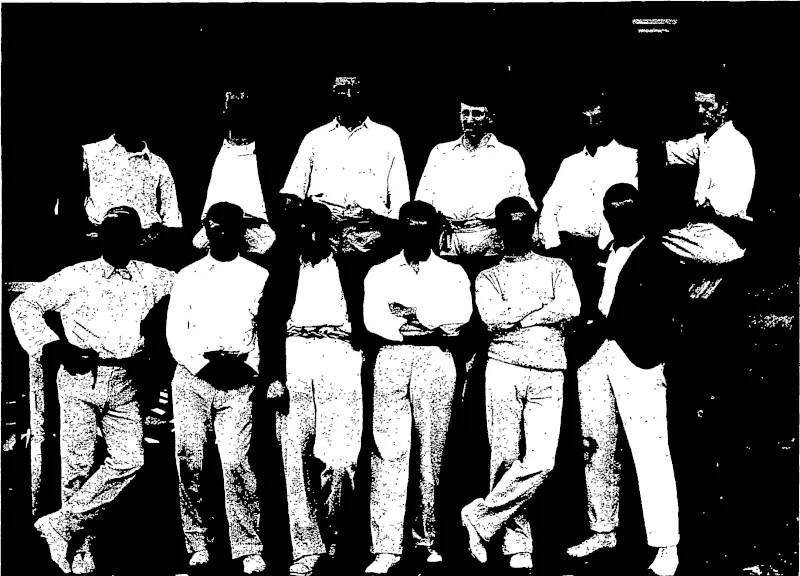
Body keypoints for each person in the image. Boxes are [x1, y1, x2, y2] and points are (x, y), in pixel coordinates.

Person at [9, 206, 174, 575]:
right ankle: (79, 549)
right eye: (112, 233)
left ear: (137, 238)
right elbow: (24, 305)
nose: (119, 241)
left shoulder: (152, 277)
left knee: (130, 459)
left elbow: (193, 282)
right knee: (78, 465)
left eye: (127, 234)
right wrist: (52, 347)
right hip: (80, 376)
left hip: (125, 379)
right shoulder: (75, 276)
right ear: (100, 236)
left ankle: (59, 524)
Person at [565, 184, 682, 576]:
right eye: (612, 211)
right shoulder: (602, 256)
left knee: (650, 452)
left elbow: (669, 318)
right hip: (596, 356)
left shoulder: (660, 256)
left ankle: (666, 546)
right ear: (606, 214)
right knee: (595, 447)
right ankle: (603, 530)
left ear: (640, 212)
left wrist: (652, 356)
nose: (620, 218)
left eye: (627, 210)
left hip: (639, 360)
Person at [460, 197, 580, 570]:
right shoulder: (487, 275)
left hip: (549, 368)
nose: (517, 232)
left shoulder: (557, 266)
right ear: (499, 229)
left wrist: (518, 316)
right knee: (505, 457)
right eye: (509, 226)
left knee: (542, 462)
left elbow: (571, 307)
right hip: (503, 368)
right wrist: (542, 310)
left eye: (523, 224)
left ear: (532, 226)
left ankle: (480, 517)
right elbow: (493, 319)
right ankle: (517, 546)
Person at [362, 201, 473, 574]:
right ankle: (387, 547)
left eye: (424, 228)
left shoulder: (453, 272)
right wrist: (423, 323)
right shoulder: (379, 272)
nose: (416, 235)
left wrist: (414, 317)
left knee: (432, 451)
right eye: (410, 228)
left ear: (433, 231)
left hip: (436, 359)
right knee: (389, 450)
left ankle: (429, 539)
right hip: (392, 357)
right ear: (400, 229)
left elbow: (458, 316)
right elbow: (374, 319)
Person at [166, 202, 271, 574]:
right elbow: (176, 332)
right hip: (194, 377)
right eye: (215, 226)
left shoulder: (259, 275)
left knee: (236, 462)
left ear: (240, 230)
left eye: (230, 227)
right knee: (190, 460)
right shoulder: (188, 275)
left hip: (239, 378)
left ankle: (247, 546)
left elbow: (264, 332)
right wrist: (203, 366)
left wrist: (248, 368)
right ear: (205, 229)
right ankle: (197, 540)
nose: (222, 233)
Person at [267, 202, 363, 575]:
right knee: (295, 453)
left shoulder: (353, 267)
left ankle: (336, 534)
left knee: (341, 458)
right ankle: (307, 547)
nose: (307, 236)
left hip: (340, 353)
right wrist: (275, 375)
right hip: (296, 354)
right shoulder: (283, 268)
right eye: (301, 229)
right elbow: (269, 323)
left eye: (315, 229)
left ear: (329, 232)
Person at [280, 75, 411, 340]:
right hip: (320, 240)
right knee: (315, 322)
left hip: (370, 241)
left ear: (364, 94)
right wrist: (311, 219)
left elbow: (400, 207)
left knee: (364, 324)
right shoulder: (315, 139)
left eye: (353, 90)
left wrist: (372, 223)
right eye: (340, 90)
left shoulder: (387, 139)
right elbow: (290, 196)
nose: (347, 96)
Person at [415, 84, 534, 279]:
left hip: (492, 243)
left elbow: (522, 203)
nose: (469, 120)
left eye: (477, 114)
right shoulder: (440, 153)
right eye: (465, 113)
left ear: (490, 117)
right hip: (450, 243)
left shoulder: (508, 156)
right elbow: (423, 202)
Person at [536, 98, 638, 313]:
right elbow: (549, 208)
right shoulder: (570, 163)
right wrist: (554, 247)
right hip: (568, 250)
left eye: (598, 120)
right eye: (586, 120)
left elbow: (628, 210)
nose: (592, 126)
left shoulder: (629, 158)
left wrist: (607, 249)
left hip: (607, 251)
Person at [67, 102, 183, 267]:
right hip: (96, 247)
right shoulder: (89, 153)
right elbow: (69, 206)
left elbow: (171, 217)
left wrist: (157, 239)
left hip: (145, 249)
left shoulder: (158, 164)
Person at [662, 84, 755, 266]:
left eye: (707, 106)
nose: (699, 111)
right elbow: (669, 151)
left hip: (724, 237)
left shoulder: (735, 143)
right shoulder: (705, 140)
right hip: (705, 230)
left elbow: (727, 210)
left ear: (724, 108)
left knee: (653, 240)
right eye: (697, 105)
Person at [192, 90, 276, 256]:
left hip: (257, 236)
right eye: (233, 108)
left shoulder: (269, 156)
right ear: (225, 113)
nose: (238, 115)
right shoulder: (207, 155)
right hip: (211, 237)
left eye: (243, 109)